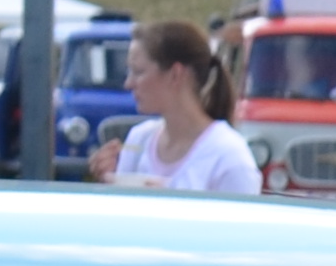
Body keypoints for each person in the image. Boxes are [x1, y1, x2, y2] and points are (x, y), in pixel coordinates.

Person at [93, 18, 256, 196]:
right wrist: (107, 185)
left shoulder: (230, 157)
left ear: (175, 75)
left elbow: (241, 223)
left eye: (138, 72)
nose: (128, 84)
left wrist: (171, 205)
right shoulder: (139, 139)